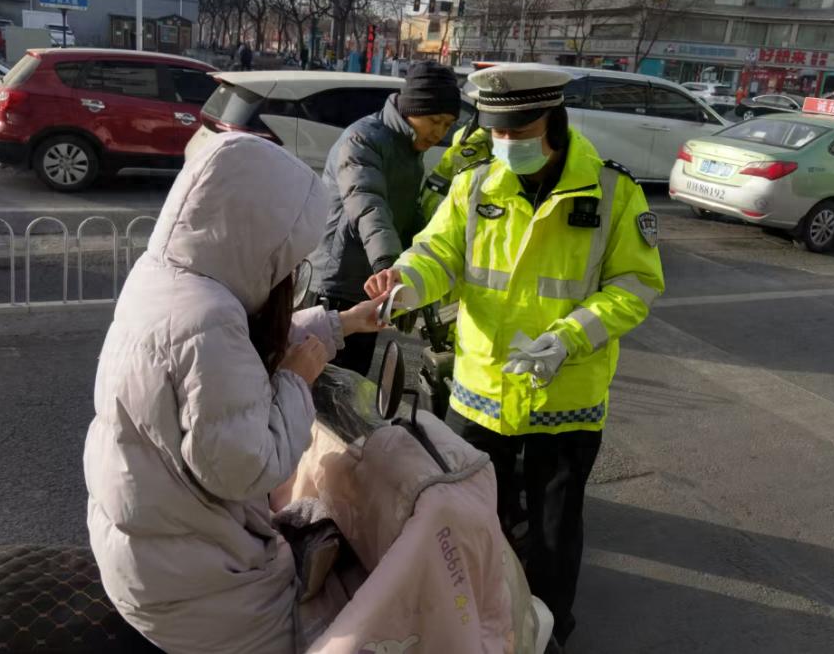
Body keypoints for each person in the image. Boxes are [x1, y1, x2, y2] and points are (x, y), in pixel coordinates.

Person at [365, 64, 665, 650]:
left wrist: (570, 336)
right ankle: (480, 621)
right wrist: (407, 280)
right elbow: (439, 253)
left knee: (555, 530)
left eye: (518, 134)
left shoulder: (611, 190)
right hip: (479, 390)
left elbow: (636, 285)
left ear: (553, 123)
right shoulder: (476, 185)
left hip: (567, 394)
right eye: (497, 132)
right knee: (472, 519)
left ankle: (548, 632)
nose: (505, 144)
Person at [85, 132, 385, 654]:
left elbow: (237, 362)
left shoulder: (169, 279)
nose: (291, 270)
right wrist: (296, 383)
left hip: (144, 546)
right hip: (198, 584)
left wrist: (341, 325)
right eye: (291, 255)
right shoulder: (209, 320)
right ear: (258, 239)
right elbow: (245, 467)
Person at [310, 60, 459, 376]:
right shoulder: (362, 140)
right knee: (321, 392)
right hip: (337, 286)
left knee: (351, 390)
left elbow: (407, 217)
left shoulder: (408, 149)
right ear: (410, 108)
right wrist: (390, 268)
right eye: (434, 120)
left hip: (372, 285)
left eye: (447, 124)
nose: (439, 133)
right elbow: (368, 207)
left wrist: (408, 281)